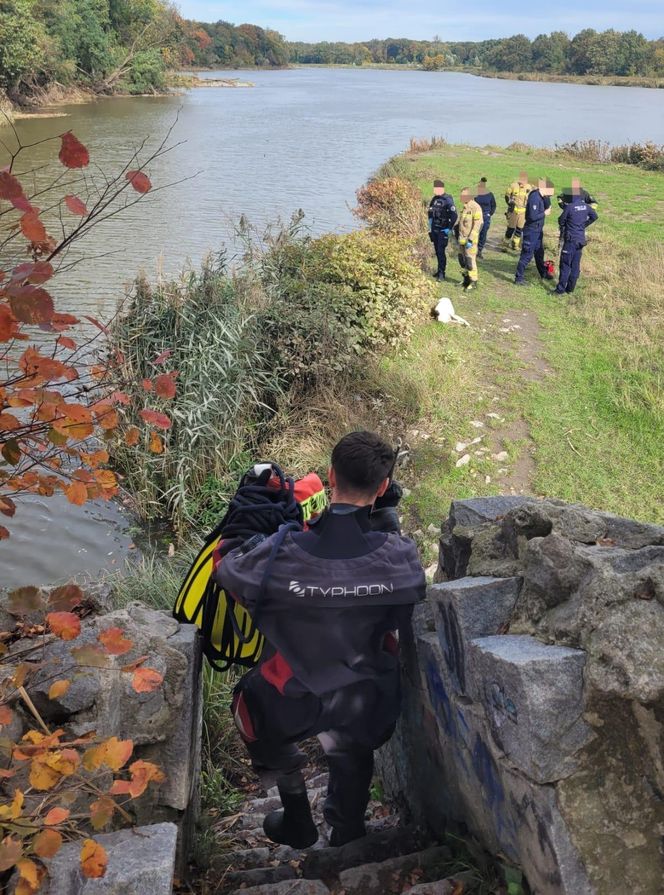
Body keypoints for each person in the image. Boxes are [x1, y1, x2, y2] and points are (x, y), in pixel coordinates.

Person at [215, 431, 426, 849]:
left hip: (290, 702)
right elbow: (405, 589)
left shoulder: (280, 556)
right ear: (383, 487)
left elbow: (227, 564)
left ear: (330, 475)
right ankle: (347, 829)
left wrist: (257, 508)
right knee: (351, 744)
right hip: (366, 701)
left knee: (247, 704)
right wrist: (385, 519)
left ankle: (296, 814)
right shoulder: (400, 558)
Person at [554, 185, 598, 295]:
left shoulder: (569, 207)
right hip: (581, 240)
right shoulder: (586, 207)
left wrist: (566, 226)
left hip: (570, 240)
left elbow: (561, 220)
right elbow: (595, 216)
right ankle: (570, 289)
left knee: (565, 265)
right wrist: (584, 225)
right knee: (575, 265)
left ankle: (560, 290)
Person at [514, 178, 555, 285]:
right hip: (531, 230)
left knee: (539, 253)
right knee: (527, 254)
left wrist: (547, 198)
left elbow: (548, 205)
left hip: (538, 230)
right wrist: (544, 213)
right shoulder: (535, 198)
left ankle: (543, 273)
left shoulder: (542, 197)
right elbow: (532, 216)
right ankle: (519, 278)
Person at [428, 179, 458, 280]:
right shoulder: (434, 199)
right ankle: (439, 270)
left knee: (441, 251)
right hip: (434, 229)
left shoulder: (448, 200)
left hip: (443, 230)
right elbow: (430, 211)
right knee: (437, 251)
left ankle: (442, 273)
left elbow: (454, 215)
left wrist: (449, 228)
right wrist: (430, 225)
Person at [457, 188, 483, 292]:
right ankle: (466, 280)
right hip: (462, 239)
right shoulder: (464, 207)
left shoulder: (475, 207)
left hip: (470, 241)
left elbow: (478, 225)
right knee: (462, 260)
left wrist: (471, 240)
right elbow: (461, 223)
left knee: (470, 260)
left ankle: (473, 281)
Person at [503, 172, 532, 251]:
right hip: (513, 211)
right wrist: (509, 203)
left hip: (523, 212)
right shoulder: (513, 186)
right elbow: (507, 196)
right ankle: (505, 244)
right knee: (510, 229)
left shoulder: (529, 187)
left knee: (519, 229)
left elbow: (531, 199)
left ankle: (515, 245)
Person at [475, 177, 496, 258]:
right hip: (476, 216)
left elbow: (493, 205)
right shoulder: (475, 193)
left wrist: (489, 214)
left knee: (483, 233)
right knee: (475, 233)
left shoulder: (490, 194)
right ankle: (473, 249)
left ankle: (479, 250)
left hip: (485, 216)